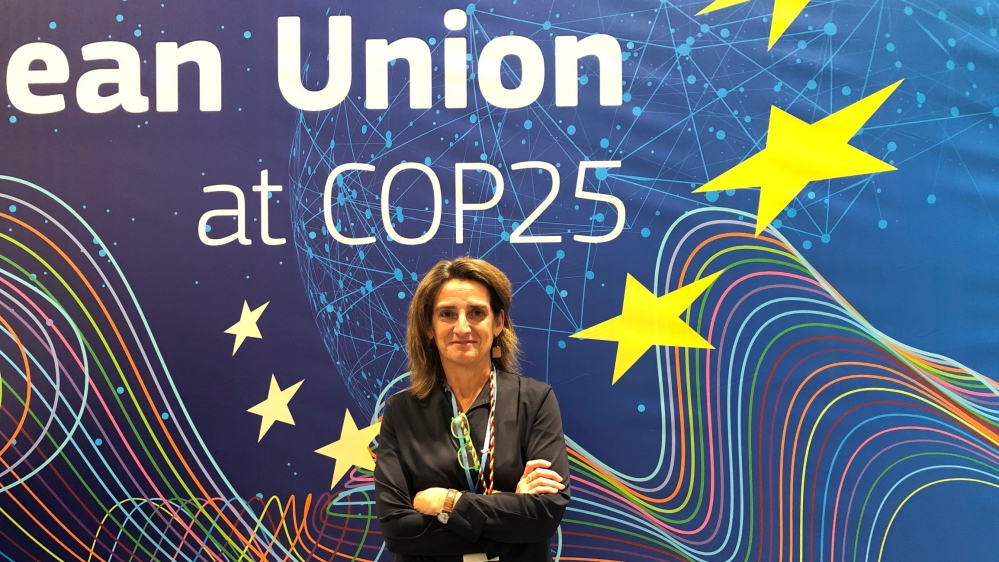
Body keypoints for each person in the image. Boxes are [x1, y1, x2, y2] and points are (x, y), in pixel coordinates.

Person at [374, 257, 570, 561]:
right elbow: (398, 529)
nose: (462, 327)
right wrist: (512, 515)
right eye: (447, 314)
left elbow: (544, 516)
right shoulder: (401, 411)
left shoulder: (534, 400)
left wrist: (448, 501)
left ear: (498, 323)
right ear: (429, 327)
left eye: (477, 312)